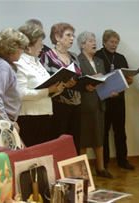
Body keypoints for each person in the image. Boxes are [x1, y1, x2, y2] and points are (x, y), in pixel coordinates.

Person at [15, 23, 65, 147]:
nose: (43, 46)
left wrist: (58, 88)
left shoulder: (37, 62)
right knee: (31, 158)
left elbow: (48, 89)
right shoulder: (19, 63)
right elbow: (21, 93)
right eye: (40, 42)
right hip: (29, 118)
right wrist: (48, 91)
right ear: (28, 45)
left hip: (45, 114)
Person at [94, 29, 135, 170]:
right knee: (103, 131)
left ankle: (122, 160)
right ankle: (103, 161)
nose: (114, 45)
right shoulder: (97, 56)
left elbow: (129, 80)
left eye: (116, 42)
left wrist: (129, 80)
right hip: (104, 100)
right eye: (111, 42)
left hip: (119, 99)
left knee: (120, 131)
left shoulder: (121, 58)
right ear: (104, 42)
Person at [40, 23, 82, 152]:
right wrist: (62, 84)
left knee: (75, 140)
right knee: (58, 141)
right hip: (58, 104)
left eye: (73, 36)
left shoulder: (74, 56)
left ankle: (74, 170)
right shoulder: (47, 56)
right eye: (68, 35)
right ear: (57, 37)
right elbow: (44, 80)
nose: (72, 39)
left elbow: (80, 77)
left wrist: (77, 82)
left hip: (76, 103)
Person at [77, 31, 112, 178]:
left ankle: (101, 168)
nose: (94, 43)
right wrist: (91, 79)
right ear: (82, 45)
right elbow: (77, 81)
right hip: (85, 105)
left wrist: (110, 88)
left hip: (100, 103)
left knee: (99, 137)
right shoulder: (77, 60)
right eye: (90, 41)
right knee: (83, 139)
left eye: (94, 40)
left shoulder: (100, 61)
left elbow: (104, 80)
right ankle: (82, 171)